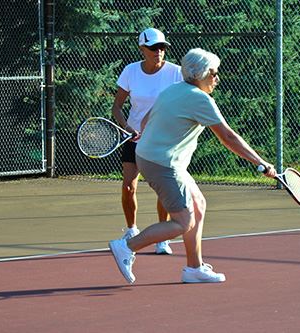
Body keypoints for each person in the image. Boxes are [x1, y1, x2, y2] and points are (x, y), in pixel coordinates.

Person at [109, 48, 276, 284]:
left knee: (198, 205)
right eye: (213, 73)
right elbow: (227, 137)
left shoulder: (173, 89)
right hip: (162, 163)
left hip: (152, 156)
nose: (217, 78)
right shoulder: (199, 98)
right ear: (200, 74)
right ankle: (127, 246)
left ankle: (194, 268)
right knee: (182, 221)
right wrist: (260, 162)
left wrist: (149, 135)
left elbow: (146, 119)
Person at [111, 28, 183, 255]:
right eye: (153, 48)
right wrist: (127, 127)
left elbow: (184, 101)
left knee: (163, 190)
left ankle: (163, 239)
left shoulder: (176, 73)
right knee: (129, 186)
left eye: (162, 47)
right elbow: (117, 107)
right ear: (142, 49)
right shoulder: (130, 71)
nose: (158, 52)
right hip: (133, 138)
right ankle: (131, 230)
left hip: (162, 140)